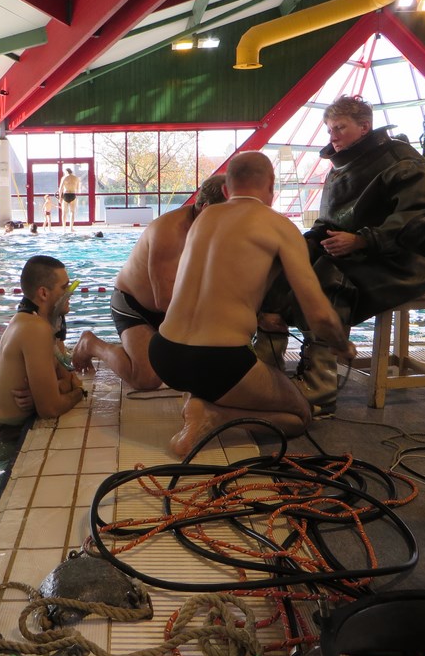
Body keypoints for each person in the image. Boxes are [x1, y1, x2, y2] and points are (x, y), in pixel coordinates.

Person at [257, 95, 425, 415]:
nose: (333, 136)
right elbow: (330, 223)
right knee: (282, 266)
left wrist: (364, 240)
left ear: (365, 127)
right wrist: (297, 247)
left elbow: (420, 215)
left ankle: (319, 386)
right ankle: (265, 369)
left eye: (340, 128)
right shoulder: (344, 165)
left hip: (414, 256)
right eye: (329, 129)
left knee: (329, 278)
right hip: (370, 249)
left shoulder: (400, 160)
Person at [147, 152, 355, 458]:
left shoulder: (204, 218)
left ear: (226, 190)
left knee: (218, 375)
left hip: (163, 353)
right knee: (299, 416)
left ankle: (202, 398)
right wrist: (342, 345)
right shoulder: (279, 226)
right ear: (271, 186)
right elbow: (319, 314)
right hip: (218, 361)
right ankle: (214, 415)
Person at [71, 174, 227, 390]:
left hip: (178, 308)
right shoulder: (170, 232)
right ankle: (91, 344)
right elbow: (165, 302)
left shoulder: (220, 230)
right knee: (146, 379)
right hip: (135, 307)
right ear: (206, 209)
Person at [0, 255, 85, 426]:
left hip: (18, 427)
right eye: (64, 287)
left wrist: (53, 389)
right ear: (43, 293)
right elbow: (50, 409)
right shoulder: (34, 328)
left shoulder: (47, 322)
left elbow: (71, 379)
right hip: (12, 435)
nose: (70, 292)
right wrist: (80, 393)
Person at [57, 167, 81, 232]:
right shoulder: (76, 178)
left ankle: (64, 228)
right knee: (72, 212)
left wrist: (59, 198)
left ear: (66, 172)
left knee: (64, 212)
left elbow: (60, 189)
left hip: (66, 194)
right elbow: (78, 189)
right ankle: (71, 228)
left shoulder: (64, 178)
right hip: (73, 194)